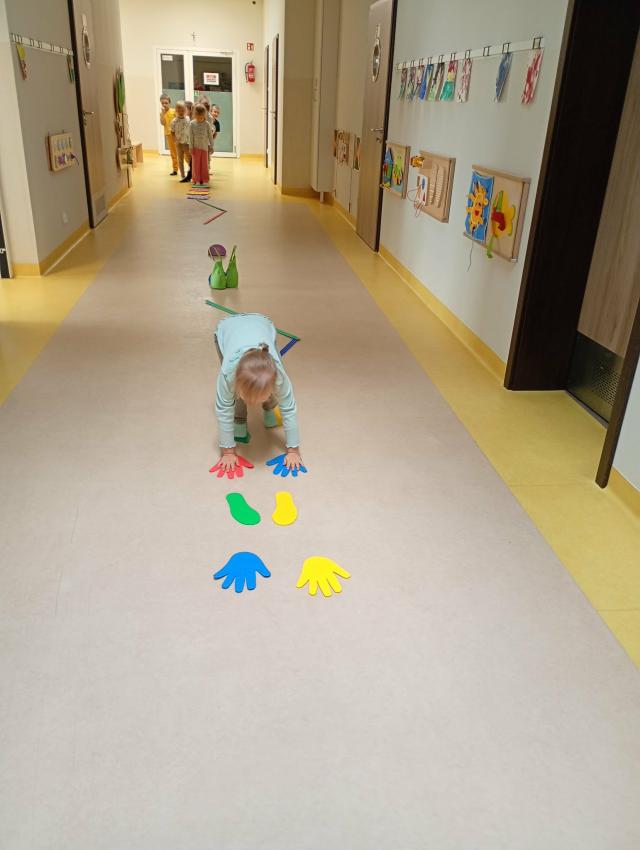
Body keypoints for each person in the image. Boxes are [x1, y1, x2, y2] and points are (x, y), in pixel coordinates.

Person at [214, 313, 303, 474]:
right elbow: (223, 410)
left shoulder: (279, 378)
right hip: (227, 328)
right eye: (249, 398)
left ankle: (269, 410)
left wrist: (293, 450)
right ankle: (239, 422)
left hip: (263, 324)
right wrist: (228, 452)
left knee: (268, 391)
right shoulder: (227, 376)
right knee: (233, 398)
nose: (253, 403)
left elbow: (289, 409)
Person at [189, 103, 214, 187]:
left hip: (204, 148)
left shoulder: (207, 124)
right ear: (194, 115)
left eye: (201, 117)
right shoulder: (192, 124)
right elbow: (191, 137)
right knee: (196, 165)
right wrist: (191, 147)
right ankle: (197, 180)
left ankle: (205, 180)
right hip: (195, 148)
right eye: (198, 117)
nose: (199, 119)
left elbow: (210, 136)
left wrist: (211, 146)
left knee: (204, 165)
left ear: (204, 115)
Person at [170, 101, 191, 182]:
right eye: (179, 111)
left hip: (186, 143)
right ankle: (182, 175)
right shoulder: (174, 121)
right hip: (178, 144)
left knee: (189, 159)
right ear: (176, 110)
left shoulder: (188, 119)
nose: (181, 112)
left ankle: (191, 173)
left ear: (185, 110)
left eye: (182, 110)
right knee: (180, 159)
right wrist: (175, 140)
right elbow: (172, 132)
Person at [159, 94, 177, 175]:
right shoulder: (161, 113)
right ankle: (175, 169)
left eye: (166, 103)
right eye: (162, 103)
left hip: (176, 134)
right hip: (169, 135)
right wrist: (163, 114)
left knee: (182, 151)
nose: (164, 105)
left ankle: (190, 168)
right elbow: (163, 123)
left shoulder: (174, 111)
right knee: (173, 152)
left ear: (169, 103)